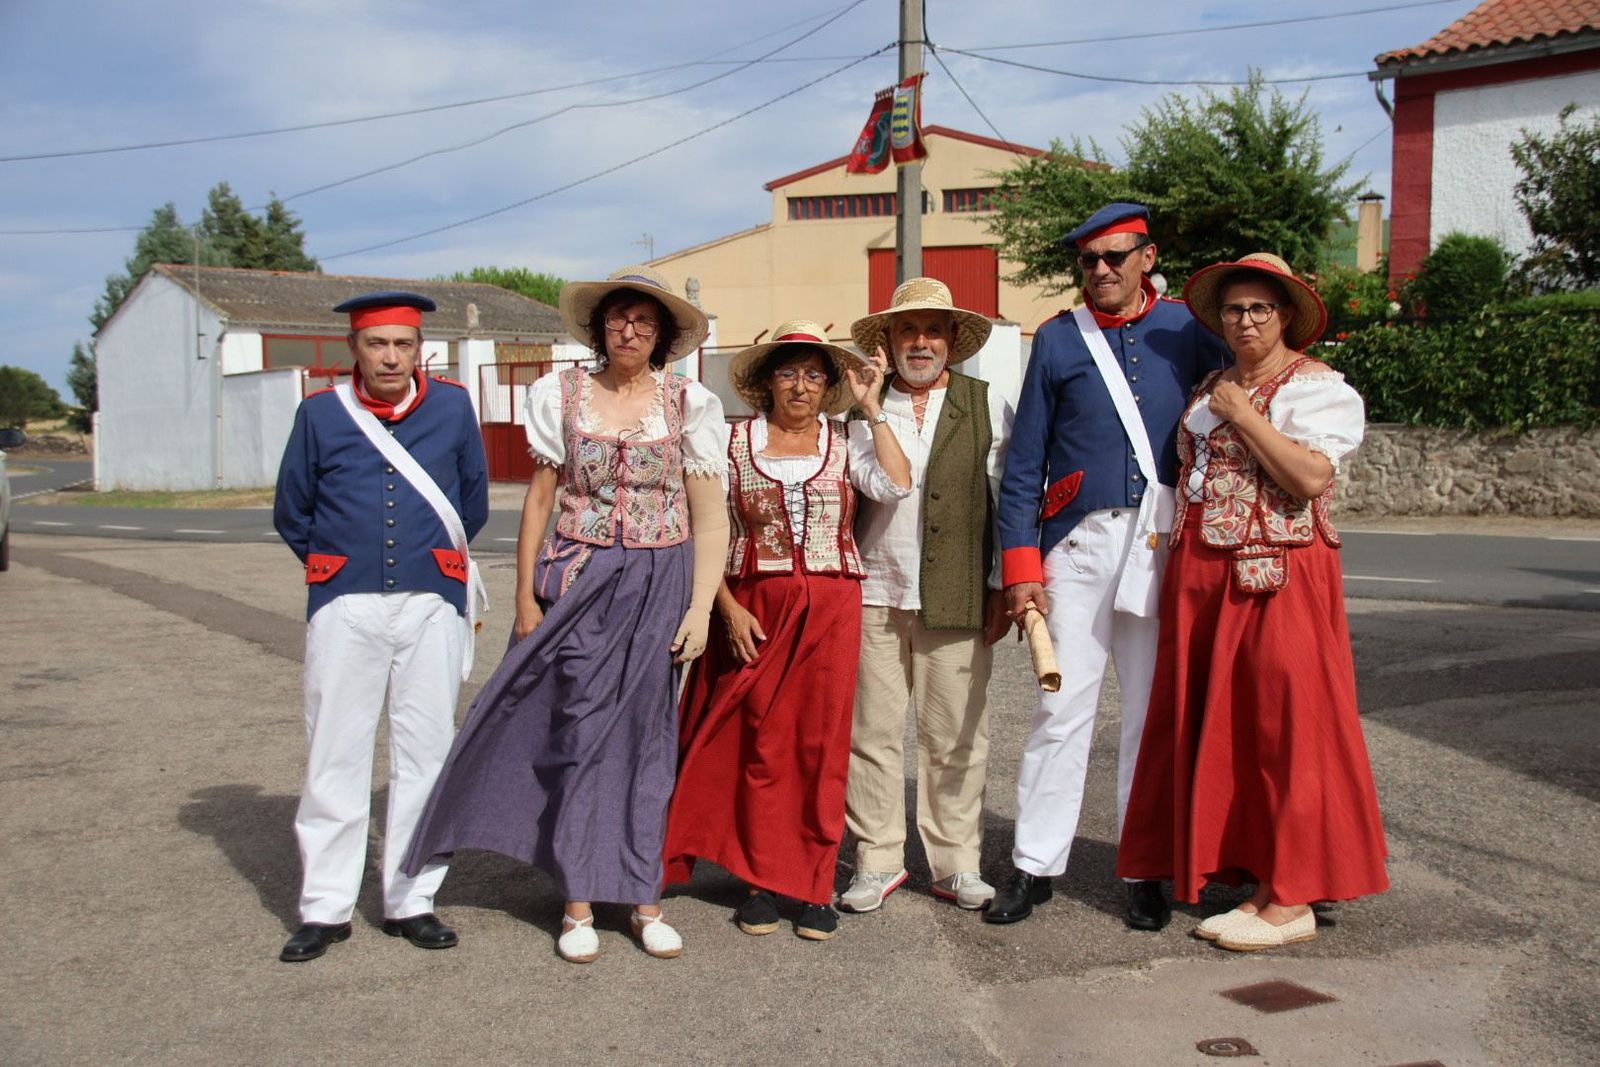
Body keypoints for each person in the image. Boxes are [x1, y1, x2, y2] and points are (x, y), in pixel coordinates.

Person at [402, 266, 729, 964]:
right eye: (619, 318)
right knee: (578, 730)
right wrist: (524, 595)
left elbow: (709, 515)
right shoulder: (562, 393)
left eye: (644, 320)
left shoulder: (689, 403)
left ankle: (644, 898)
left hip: (658, 580)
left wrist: (701, 607)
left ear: (663, 333)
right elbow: (541, 500)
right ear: (600, 328)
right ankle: (578, 899)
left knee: (647, 738)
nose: (630, 329)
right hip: (577, 581)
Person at [1117, 253, 1388, 951]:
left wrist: (1243, 415)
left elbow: (1306, 476)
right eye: (1234, 309)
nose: (1244, 320)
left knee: (1286, 727)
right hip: (1206, 576)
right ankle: (1252, 869)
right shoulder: (1214, 382)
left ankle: (1291, 893)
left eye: (1259, 309)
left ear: (1286, 315)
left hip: (1282, 576)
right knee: (1223, 723)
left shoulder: (1314, 387)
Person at [991, 203, 1225, 928]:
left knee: (1152, 714)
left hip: (1159, 540)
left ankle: (1145, 867)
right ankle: (1033, 865)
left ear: (1147, 258)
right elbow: (1024, 461)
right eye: (1089, 260)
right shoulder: (1059, 340)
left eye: (1116, 257)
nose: (1101, 271)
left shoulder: (1189, 327)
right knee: (1061, 711)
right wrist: (1021, 567)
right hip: (1078, 545)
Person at [663, 320, 911, 941]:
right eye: (787, 372)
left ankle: (812, 880)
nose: (799, 386)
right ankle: (758, 878)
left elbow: (897, 484)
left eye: (812, 374)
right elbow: (704, 528)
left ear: (828, 384)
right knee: (759, 742)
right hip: (751, 607)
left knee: (820, 746)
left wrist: (873, 408)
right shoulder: (730, 441)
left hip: (831, 606)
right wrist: (725, 606)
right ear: (766, 382)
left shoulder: (848, 437)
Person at [273, 290, 489, 963]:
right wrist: (340, 565)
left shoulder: (452, 407)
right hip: (345, 602)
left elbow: (472, 500)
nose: (390, 356)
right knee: (335, 751)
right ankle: (325, 907)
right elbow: (292, 509)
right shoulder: (319, 415)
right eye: (377, 344)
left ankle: (411, 897)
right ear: (354, 350)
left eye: (402, 343)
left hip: (430, 602)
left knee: (425, 751)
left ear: (419, 347)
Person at [836, 278, 1014, 915]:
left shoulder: (986, 404)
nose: (920, 342)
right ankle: (877, 859)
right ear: (887, 340)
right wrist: (874, 408)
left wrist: (1002, 588)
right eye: (907, 330)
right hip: (875, 593)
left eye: (933, 330)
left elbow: (1006, 503)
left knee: (956, 735)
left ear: (952, 341)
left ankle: (956, 863)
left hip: (958, 591)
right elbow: (877, 487)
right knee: (872, 734)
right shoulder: (860, 407)